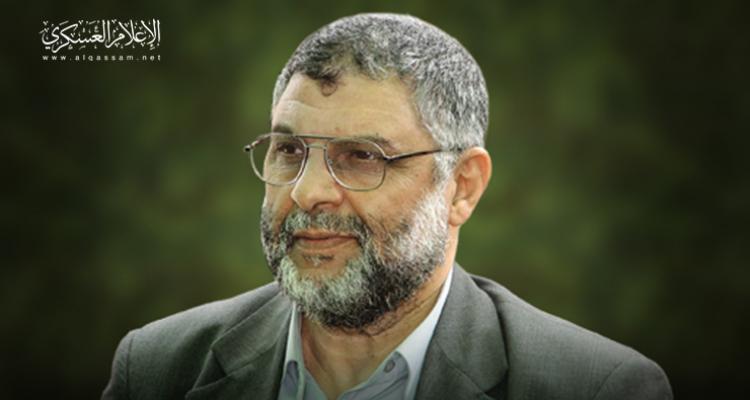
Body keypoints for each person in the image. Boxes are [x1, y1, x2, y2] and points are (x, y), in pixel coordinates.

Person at [103, 13, 672, 400]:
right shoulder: (158, 369)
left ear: (463, 186)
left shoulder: (595, 387)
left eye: (361, 156)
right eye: (289, 151)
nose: (307, 192)